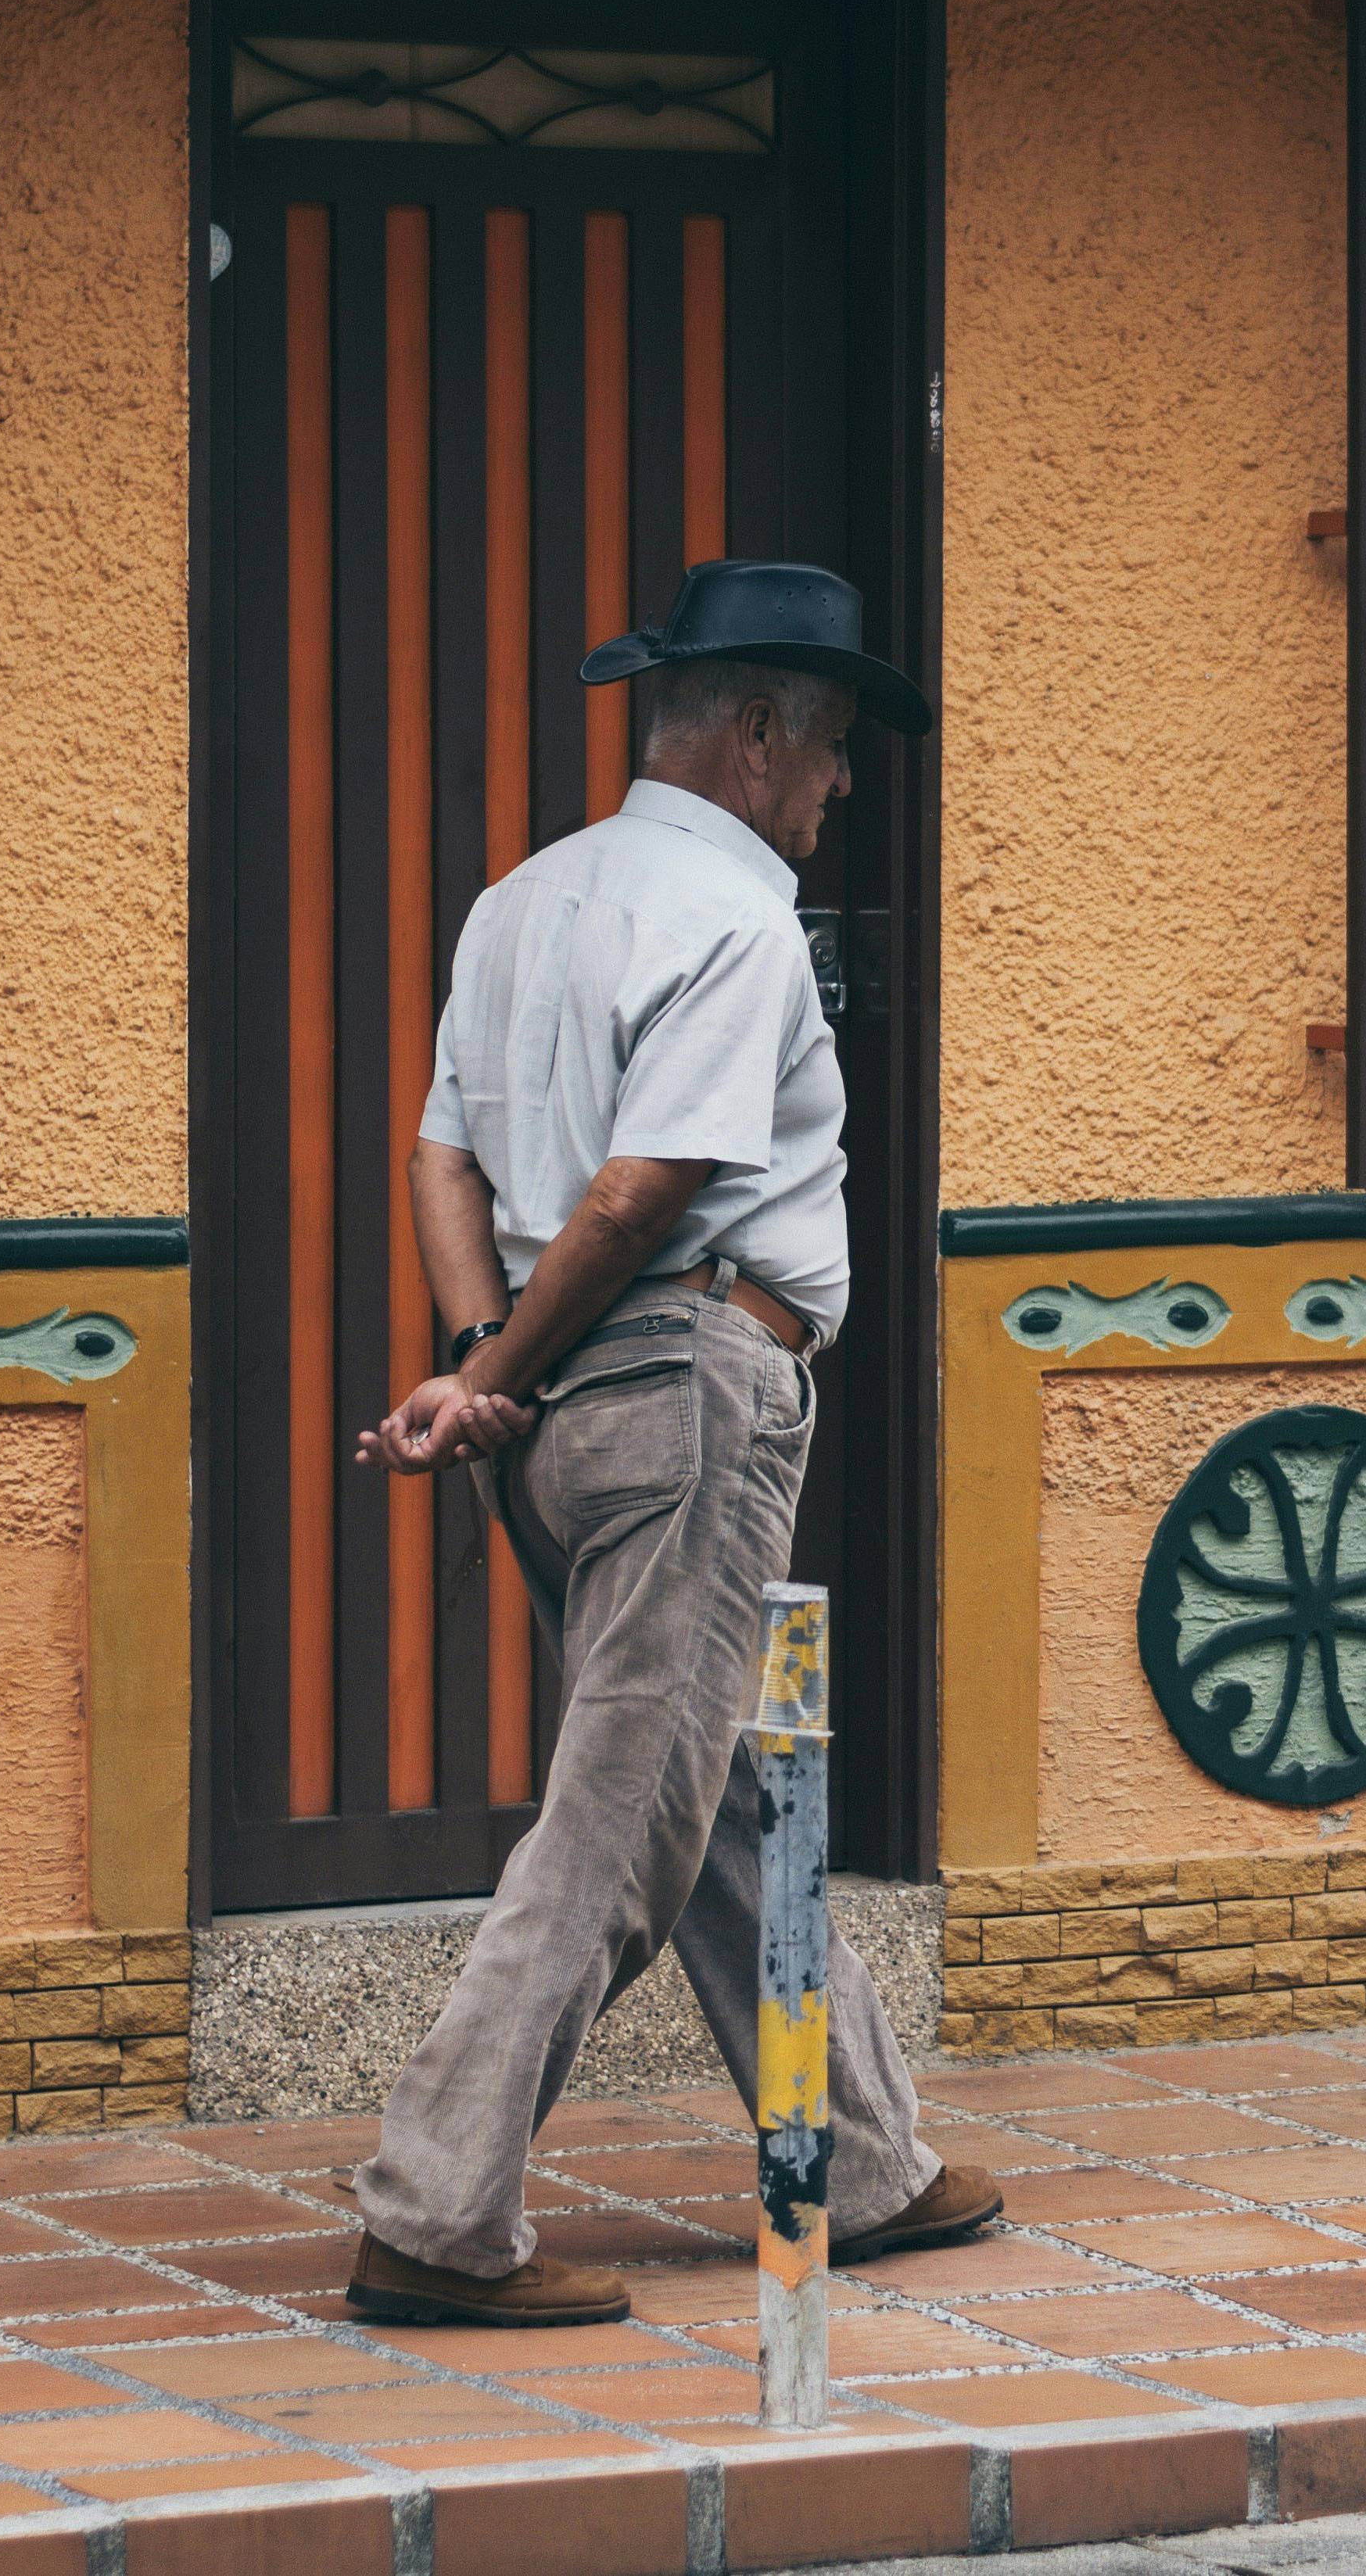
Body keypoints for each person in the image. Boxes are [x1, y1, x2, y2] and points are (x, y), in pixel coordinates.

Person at [339, 561, 998, 2327]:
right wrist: (511, 1358)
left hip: (564, 1411)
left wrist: (484, 1363)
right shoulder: (738, 920)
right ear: (764, 730)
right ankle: (435, 2207)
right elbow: (645, 1193)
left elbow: (443, 1160)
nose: (843, 783)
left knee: (709, 1789)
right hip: (689, 1387)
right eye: (836, 745)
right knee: (628, 1816)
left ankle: (861, 2157)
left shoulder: (524, 899)